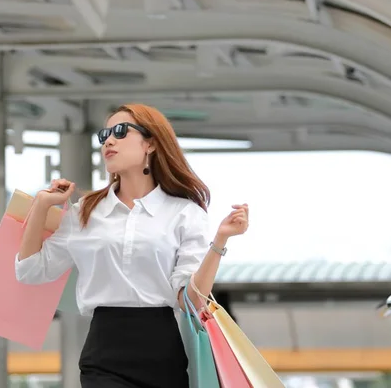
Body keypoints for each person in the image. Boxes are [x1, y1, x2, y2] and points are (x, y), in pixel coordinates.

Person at [15, 103, 249, 388]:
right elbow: (29, 271)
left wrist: (220, 241)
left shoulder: (185, 213)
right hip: (103, 349)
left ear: (150, 143)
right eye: (105, 135)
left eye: (121, 131)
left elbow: (192, 300)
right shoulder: (85, 211)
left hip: (162, 350)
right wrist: (40, 205)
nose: (109, 140)